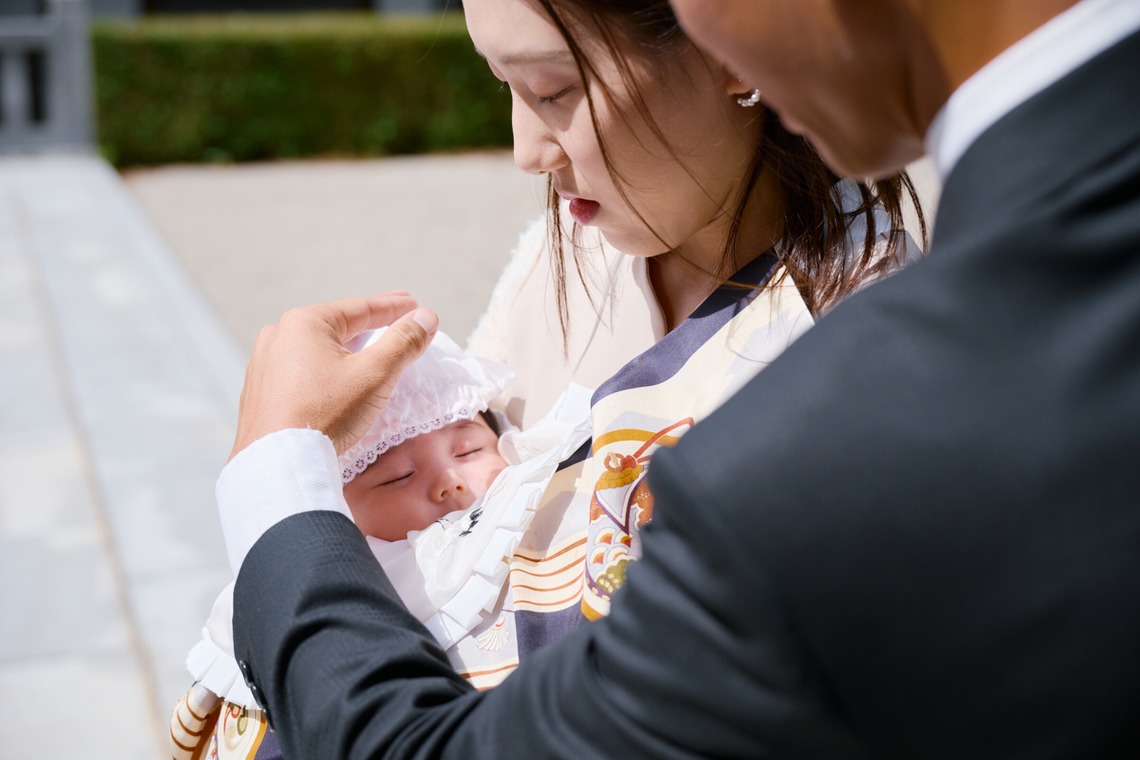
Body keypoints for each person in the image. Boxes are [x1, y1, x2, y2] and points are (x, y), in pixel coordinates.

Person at [217, 0, 1140, 755]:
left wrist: (276, 474)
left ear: (719, 45)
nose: (525, 150)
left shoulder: (828, 412)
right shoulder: (563, 259)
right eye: (502, 85)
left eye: (553, 87)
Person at [170, 331, 591, 758]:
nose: (450, 481)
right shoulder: (343, 579)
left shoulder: (529, 512)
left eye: (468, 450)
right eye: (397, 477)